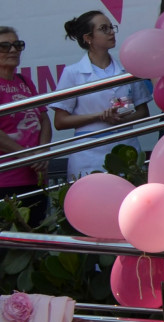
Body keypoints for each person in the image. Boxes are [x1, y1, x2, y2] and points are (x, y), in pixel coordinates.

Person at [50, 12, 152, 180]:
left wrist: (119, 119)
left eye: (111, 27)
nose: (111, 32)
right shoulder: (73, 73)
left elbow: (143, 112)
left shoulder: (127, 70)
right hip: (89, 153)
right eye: (104, 29)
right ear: (88, 38)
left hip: (126, 148)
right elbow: (60, 122)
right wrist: (99, 116)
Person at [0, 28, 52, 221]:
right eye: (5, 46)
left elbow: (44, 119)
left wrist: (43, 152)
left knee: (37, 240)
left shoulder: (25, 80)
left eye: (17, 45)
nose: (13, 50)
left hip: (36, 178)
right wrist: (28, 156)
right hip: (6, 181)